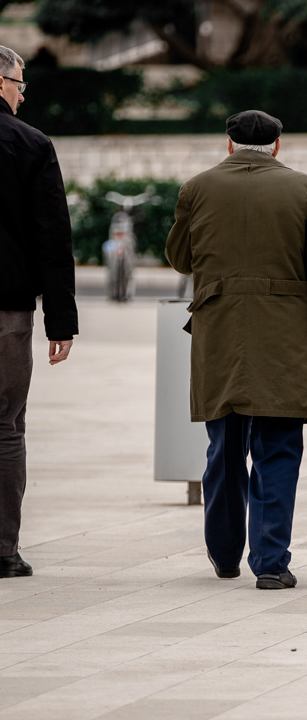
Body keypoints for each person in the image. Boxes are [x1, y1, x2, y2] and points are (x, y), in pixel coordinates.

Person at [166, 110, 307, 590]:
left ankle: (224, 555)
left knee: (224, 449)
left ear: (229, 145)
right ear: (277, 146)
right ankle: (270, 562)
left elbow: (179, 258)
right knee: (278, 450)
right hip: (287, 343)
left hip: (220, 339)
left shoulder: (196, 188)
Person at [0, 45, 77, 579]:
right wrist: (61, 321)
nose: (22, 95)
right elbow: (53, 237)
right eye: (18, 84)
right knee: (6, 425)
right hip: (7, 309)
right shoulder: (29, 143)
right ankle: (3, 550)